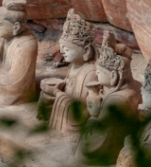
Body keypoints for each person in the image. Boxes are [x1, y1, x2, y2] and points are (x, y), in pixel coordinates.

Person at [78, 31, 141, 165]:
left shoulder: (117, 100)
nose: (97, 75)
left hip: (112, 145)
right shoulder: (133, 88)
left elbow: (101, 134)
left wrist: (92, 119)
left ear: (114, 76)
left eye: (99, 72)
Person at [41, 9, 97, 132]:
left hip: (75, 114)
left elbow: (81, 107)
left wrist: (57, 93)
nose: (62, 52)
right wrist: (60, 87)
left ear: (86, 50)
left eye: (67, 49)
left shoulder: (90, 71)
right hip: (67, 101)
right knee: (44, 95)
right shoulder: (73, 66)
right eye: (62, 48)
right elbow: (69, 89)